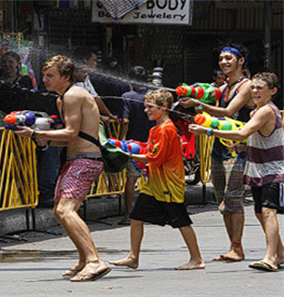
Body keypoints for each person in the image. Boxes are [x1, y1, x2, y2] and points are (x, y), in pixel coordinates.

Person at [13, 55, 111, 282]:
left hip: (85, 161)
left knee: (66, 210)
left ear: (65, 77)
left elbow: (71, 133)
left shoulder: (73, 95)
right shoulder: (63, 98)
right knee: (60, 210)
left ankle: (94, 261)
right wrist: (46, 140)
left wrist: (37, 134)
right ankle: (84, 259)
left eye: (50, 76)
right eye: (44, 75)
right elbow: (68, 138)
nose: (45, 80)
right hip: (76, 158)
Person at [189, 72, 284, 272]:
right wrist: (243, 147)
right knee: (260, 212)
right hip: (259, 168)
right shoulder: (255, 112)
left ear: (273, 91)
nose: (255, 91)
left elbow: (242, 133)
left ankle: (270, 258)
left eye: (260, 88)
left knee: (268, 211)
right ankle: (281, 253)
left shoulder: (266, 111)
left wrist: (208, 131)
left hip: (274, 169)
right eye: (254, 88)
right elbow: (254, 138)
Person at [109, 89, 205, 270]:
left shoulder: (166, 129)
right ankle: (133, 257)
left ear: (164, 107)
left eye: (150, 107)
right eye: (146, 107)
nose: (146, 111)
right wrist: (133, 148)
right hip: (154, 183)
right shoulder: (156, 129)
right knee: (136, 217)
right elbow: (150, 152)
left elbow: (155, 157)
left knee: (181, 221)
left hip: (168, 184)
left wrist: (128, 154)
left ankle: (197, 259)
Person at [179, 43, 254, 262]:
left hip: (237, 148)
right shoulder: (222, 88)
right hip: (219, 147)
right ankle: (233, 246)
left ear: (241, 61)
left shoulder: (246, 86)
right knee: (222, 201)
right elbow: (205, 97)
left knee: (234, 198)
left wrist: (198, 105)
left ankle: (237, 247)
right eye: (221, 58)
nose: (224, 62)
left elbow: (229, 111)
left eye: (229, 58)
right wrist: (190, 96)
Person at [117, 66, 155, 225]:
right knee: (153, 179)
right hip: (153, 143)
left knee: (132, 179)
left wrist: (120, 140)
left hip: (134, 146)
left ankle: (128, 214)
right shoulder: (152, 96)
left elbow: (125, 121)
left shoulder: (127, 96)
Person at [71, 47, 115, 124]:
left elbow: (95, 97)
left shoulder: (85, 77)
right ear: (85, 60)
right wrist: (100, 117)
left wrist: (109, 115)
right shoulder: (75, 82)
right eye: (94, 61)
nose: (96, 64)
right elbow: (83, 104)